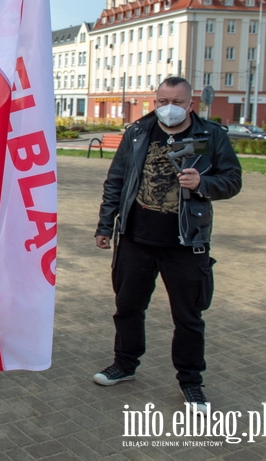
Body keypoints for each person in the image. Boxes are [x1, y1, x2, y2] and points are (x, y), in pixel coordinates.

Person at [93, 76, 241, 413]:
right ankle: (124, 364)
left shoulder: (210, 136)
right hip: (135, 240)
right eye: (162, 101)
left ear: (191, 103)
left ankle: (191, 383)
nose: (168, 107)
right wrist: (106, 225)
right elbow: (116, 180)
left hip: (186, 244)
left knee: (188, 318)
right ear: (154, 101)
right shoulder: (137, 133)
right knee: (128, 307)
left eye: (176, 101)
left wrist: (204, 182)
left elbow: (232, 180)